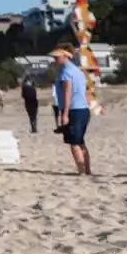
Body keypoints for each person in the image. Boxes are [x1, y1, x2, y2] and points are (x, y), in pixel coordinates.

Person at [52, 46, 92, 175]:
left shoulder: (66, 72)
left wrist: (65, 113)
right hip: (83, 109)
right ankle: (87, 170)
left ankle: (81, 171)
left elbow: (67, 92)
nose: (55, 60)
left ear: (66, 57)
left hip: (74, 109)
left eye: (57, 57)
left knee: (74, 142)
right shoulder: (78, 71)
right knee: (80, 141)